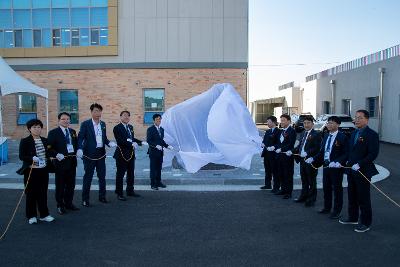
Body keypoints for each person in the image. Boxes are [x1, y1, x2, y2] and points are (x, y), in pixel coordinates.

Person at [339, 110, 379, 233]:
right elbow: (350, 151)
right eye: (356, 118)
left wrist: (360, 163)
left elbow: (373, 153)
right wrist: (346, 162)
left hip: (363, 171)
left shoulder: (371, 134)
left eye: (360, 118)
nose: (356, 120)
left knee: (363, 198)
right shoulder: (354, 133)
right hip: (351, 170)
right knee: (352, 196)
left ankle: (366, 222)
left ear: (367, 119)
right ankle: (353, 217)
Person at [77, 103, 116, 207]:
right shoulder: (86, 124)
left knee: (102, 177)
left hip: (101, 155)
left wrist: (109, 143)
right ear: (91, 112)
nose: (98, 113)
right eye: (95, 111)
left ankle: (102, 196)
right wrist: (79, 148)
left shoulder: (103, 124)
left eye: (99, 111)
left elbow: (104, 138)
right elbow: (81, 137)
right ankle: (85, 199)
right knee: (88, 177)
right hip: (89, 155)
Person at [18, 119, 55, 224]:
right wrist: (31, 158)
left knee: (43, 193)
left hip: (43, 170)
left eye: (39, 127)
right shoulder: (25, 141)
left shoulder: (45, 140)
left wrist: (55, 155)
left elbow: (50, 151)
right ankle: (31, 215)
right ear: (29, 129)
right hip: (31, 171)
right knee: (30, 194)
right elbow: (21, 156)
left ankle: (44, 214)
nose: (37, 129)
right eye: (34, 127)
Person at [311, 116, 348, 218]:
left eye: (331, 123)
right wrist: (314, 158)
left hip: (336, 167)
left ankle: (337, 211)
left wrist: (337, 162)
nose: (329, 125)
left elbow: (346, 153)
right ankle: (327, 207)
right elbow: (322, 151)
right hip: (326, 166)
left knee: (337, 189)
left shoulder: (342, 137)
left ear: (338, 124)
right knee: (326, 188)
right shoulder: (326, 135)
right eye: (328, 123)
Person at [47, 112, 79, 214]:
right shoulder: (53, 132)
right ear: (59, 120)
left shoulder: (72, 132)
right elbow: (48, 148)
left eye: (68, 119)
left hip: (72, 163)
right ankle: (60, 205)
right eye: (63, 119)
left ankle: (69, 203)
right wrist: (56, 154)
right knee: (60, 185)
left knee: (71, 185)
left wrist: (79, 150)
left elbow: (76, 145)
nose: (66, 121)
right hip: (60, 163)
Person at [113, 111, 148, 200]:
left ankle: (130, 191)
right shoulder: (117, 128)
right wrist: (131, 144)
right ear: (120, 117)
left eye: (128, 116)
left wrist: (140, 142)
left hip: (131, 154)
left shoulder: (130, 127)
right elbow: (120, 141)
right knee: (120, 175)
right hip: (121, 154)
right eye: (124, 116)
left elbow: (132, 138)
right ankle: (119, 193)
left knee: (131, 173)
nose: (126, 117)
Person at [292, 115, 322, 207]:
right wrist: (293, 150)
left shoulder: (316, 134)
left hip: (310, 161)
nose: (306, 125)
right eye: (304, 123)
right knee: (304, 180)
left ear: (313, 124)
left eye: (308, 123)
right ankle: (303, 196)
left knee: (311, 181)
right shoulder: (303, 133)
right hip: (302, 160)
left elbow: (317, 148)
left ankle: (311, 199)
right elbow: (300, 145)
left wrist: (308, 153)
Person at [146, 114, 173, 190]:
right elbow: (149, 141)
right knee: (153, 168)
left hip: (160, 152)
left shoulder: (161, 129)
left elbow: (161, 140)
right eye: (157, 119)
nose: (159, 121)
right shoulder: (150, 129)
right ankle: (153, 184)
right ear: (154, 120)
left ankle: (158, 182)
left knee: (159, 168)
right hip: (153, 152)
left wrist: (167, 146)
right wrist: (156, 145)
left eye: (160, 119)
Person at [274, 114, 296, 199]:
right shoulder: (281, 131)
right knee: (281, 173)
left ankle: (288, 192)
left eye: (283, 120)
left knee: (288, 174)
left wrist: (282, 149)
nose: (281, 122)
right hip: (280, 156)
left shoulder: (292, 131)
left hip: (287, 156)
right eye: (281, 120)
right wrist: (276, 147)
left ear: (289, 121)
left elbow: (291, 144)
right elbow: (278, 143)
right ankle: (283, 189)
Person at [260, 116, 281, 191]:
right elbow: (265, 141)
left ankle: (276, 187)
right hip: (266, 154)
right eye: (267, 122)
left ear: (274, 122)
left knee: (275, 170)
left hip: (274, 154)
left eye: (269, 122)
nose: (267, 123)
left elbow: (279, 142)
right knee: (267, 170)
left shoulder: (279, 131)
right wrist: (262, 144)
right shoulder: (268, 131)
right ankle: (267, 184)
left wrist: (274, 147)